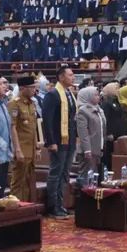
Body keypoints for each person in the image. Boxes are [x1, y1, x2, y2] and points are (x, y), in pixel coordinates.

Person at [42, 66, 77, 220]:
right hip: (58, 140)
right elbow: (47, 120)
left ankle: (61, 204)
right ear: (61, 77)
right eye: (70, 75)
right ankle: (52, 206)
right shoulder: (53, 94)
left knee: (65, 173)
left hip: (69, 139)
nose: (73, 77)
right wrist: (51, 141)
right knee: (56, 173)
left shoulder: (70, 93)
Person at [8, 76, 41, 202]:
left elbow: (33, 127)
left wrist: (37, 147)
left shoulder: (32, 103)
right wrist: (17, 150)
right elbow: (12, 128)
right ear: (22, 88)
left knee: (28, 180)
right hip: (21, 147)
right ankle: (15, 206)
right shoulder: (14, 104)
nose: (34, 90)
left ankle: (26, 206)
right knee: (18, 181)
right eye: (31, 87)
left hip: (31, 148)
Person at [76, 86, 106, 185]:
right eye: (95, 95)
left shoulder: (99, 109)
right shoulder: (83, 111)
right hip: (88, 148)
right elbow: (83, 132)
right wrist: (87, 149)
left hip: (98, 147)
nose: (98, 97)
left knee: (95, 176)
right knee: (87, 176)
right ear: (87, 96)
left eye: (98, 95)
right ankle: (83, 193)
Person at [100, 82, 127, 170]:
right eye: (116, 88)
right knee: (109, 154)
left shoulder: (117, 101)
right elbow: (105, 118)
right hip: (112, 134)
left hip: (120, 132)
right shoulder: (106, 103)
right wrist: (108, 132)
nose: (118, 90)